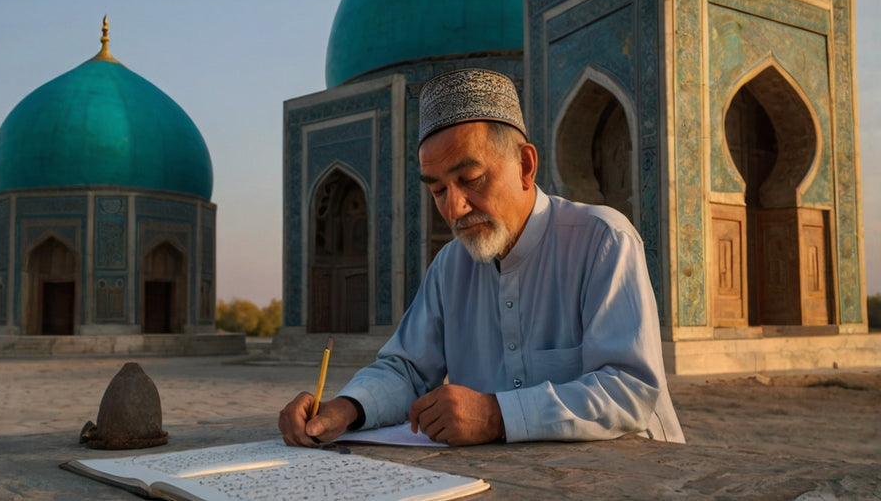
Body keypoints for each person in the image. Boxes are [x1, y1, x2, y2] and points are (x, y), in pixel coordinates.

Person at [278, 68, 685, 447]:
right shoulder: (450, 267)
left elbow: (628, 389)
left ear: (525, 165)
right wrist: (346, 409)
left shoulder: (602, 240)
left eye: (470, 180)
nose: (454, 207)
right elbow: (407, 370)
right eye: (437, 190)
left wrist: (496, 415)